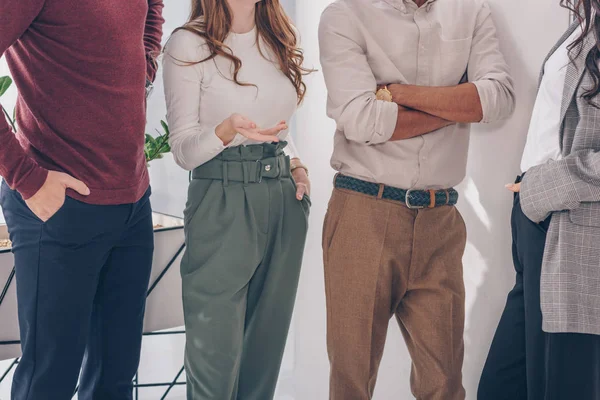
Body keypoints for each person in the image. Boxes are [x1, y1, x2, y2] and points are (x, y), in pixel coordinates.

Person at [319, 0, 515, 398]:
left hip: (440, 220)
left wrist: (400, 94)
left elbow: (496, 98)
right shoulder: (344, 15)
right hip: (364, 214)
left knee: (444, 384)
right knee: (351, 382)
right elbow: (363, 120)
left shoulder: (471, 11)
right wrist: (459, 103)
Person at [0, 1, 164, 399]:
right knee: (49, 382)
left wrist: (145, 63)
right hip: (60, 206)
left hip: (132, 197)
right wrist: (26, 177)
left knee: (115, 379)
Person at [162, 0, 311, 398]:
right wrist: (224, 132)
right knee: (214, 362)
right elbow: (182, 150)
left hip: (283, 198)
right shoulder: (188, 45)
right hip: (221, 200)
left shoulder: (279, 37)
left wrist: (297, 163)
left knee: (262, 362)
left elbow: (278, 124)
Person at [479, 2, 600, 399]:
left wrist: (545, 185)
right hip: (537, 224)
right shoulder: (584, 23)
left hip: (576, 233)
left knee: (561, 385)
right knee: (502, 386)